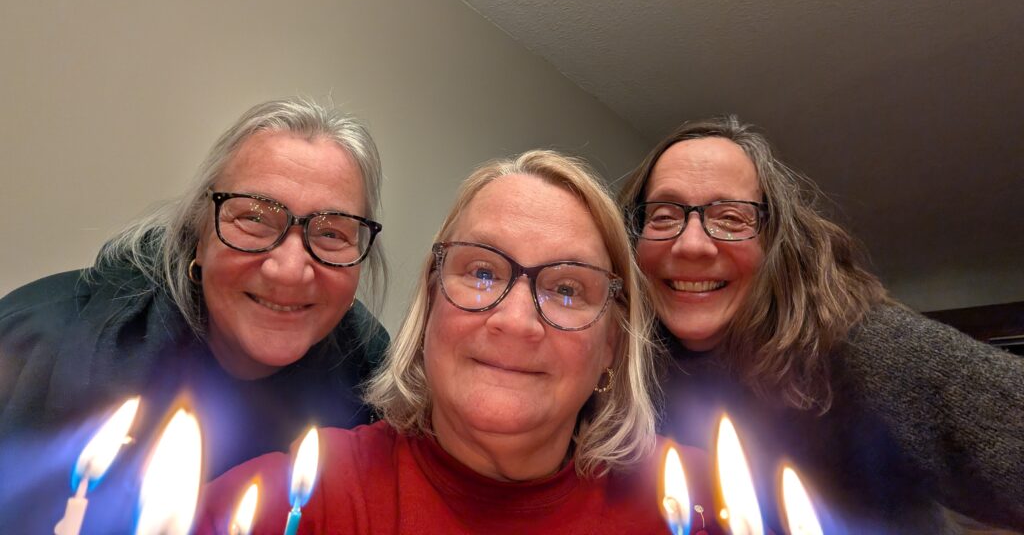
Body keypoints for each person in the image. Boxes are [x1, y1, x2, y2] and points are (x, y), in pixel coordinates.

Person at [195, 150, 724, 534]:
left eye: (567, 289)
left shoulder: (708, 499)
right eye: (482, 272)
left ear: (611, 343)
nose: (516, 322)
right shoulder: (298, 498)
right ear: (430, 304)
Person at [619, 115, 1024, 533]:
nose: (691, 244)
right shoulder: (615, 369)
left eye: (731, 218)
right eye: (663, 216)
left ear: (775, 243)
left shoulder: (868, 352)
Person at [0, 98, 389, 532]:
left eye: (332, 233)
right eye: (254, 218)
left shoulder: (372, 388)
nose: (289, 269)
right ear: (199, 236)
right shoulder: (30, 341)